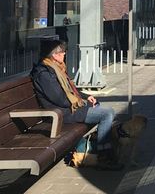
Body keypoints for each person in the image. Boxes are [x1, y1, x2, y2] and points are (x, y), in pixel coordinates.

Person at [30, 39, 123, 170]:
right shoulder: (44, 74)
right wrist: (83, 103)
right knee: (107, 114)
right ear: (54, 55)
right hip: (61, 113)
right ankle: (104, 156)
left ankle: (99, 147)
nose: (64, 54)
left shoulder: (55, 69)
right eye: (62, 52)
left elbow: (69, 90)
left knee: (98, 106)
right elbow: (60, 99)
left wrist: (86, 97)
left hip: (67, 109)